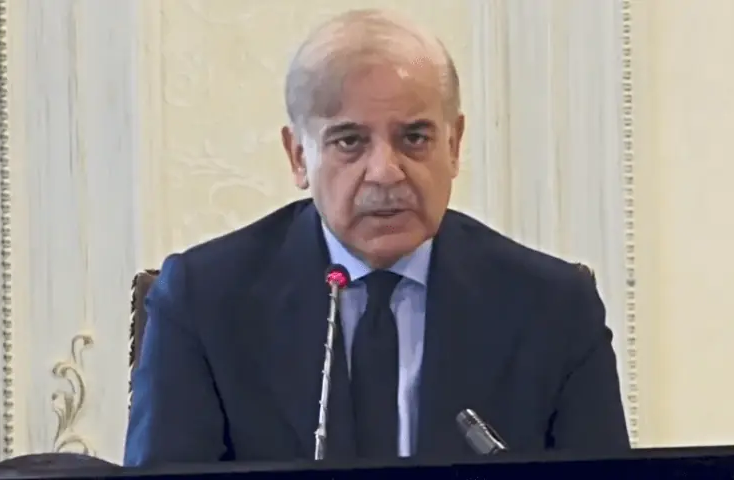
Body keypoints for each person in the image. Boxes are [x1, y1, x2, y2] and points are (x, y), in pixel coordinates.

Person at [124, 8, 629, 466]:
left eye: (414, 138)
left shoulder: (553, 307)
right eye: (350, 141)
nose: (386, 171)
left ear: (454, 145)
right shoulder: (204, 301)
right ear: (298, 156)